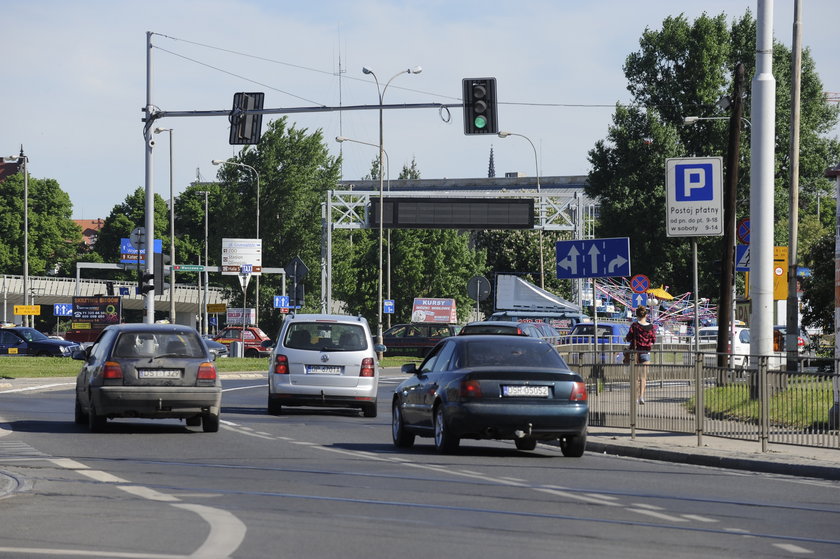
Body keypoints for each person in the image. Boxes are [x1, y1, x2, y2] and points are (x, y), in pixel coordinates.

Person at [626, 306, 656, 404]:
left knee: (635, 377)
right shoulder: (651, 327)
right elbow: (653, 339)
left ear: (637, 315)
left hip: (635, 353)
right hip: (646, 353)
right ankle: (641, 397)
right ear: (646, 315)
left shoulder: (634, 326)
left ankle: (634, 397)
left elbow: (629, 337)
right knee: (643, 377)